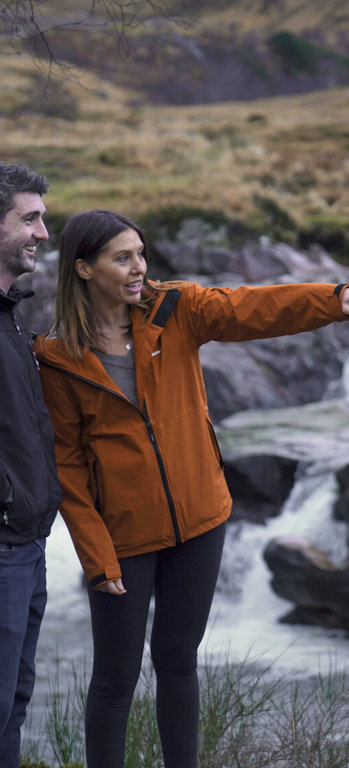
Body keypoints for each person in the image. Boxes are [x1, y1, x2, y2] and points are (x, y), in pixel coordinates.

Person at [35, 208, 349, 768]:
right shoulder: (57, 358)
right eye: (121, 258)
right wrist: (98, 561)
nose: (138, 268)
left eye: (141, 254)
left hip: (201, 522)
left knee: (178, 660)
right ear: (83, 268)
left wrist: (331, 299)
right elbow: (70, 469)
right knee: (115, 677)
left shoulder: (175, 310)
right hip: (124, 538)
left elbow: (250, 308)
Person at [0, 162, 62, 768]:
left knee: (14, 702)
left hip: (28, 542)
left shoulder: (12, 311)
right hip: (4, 543)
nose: (43, 232)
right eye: (30, 218)